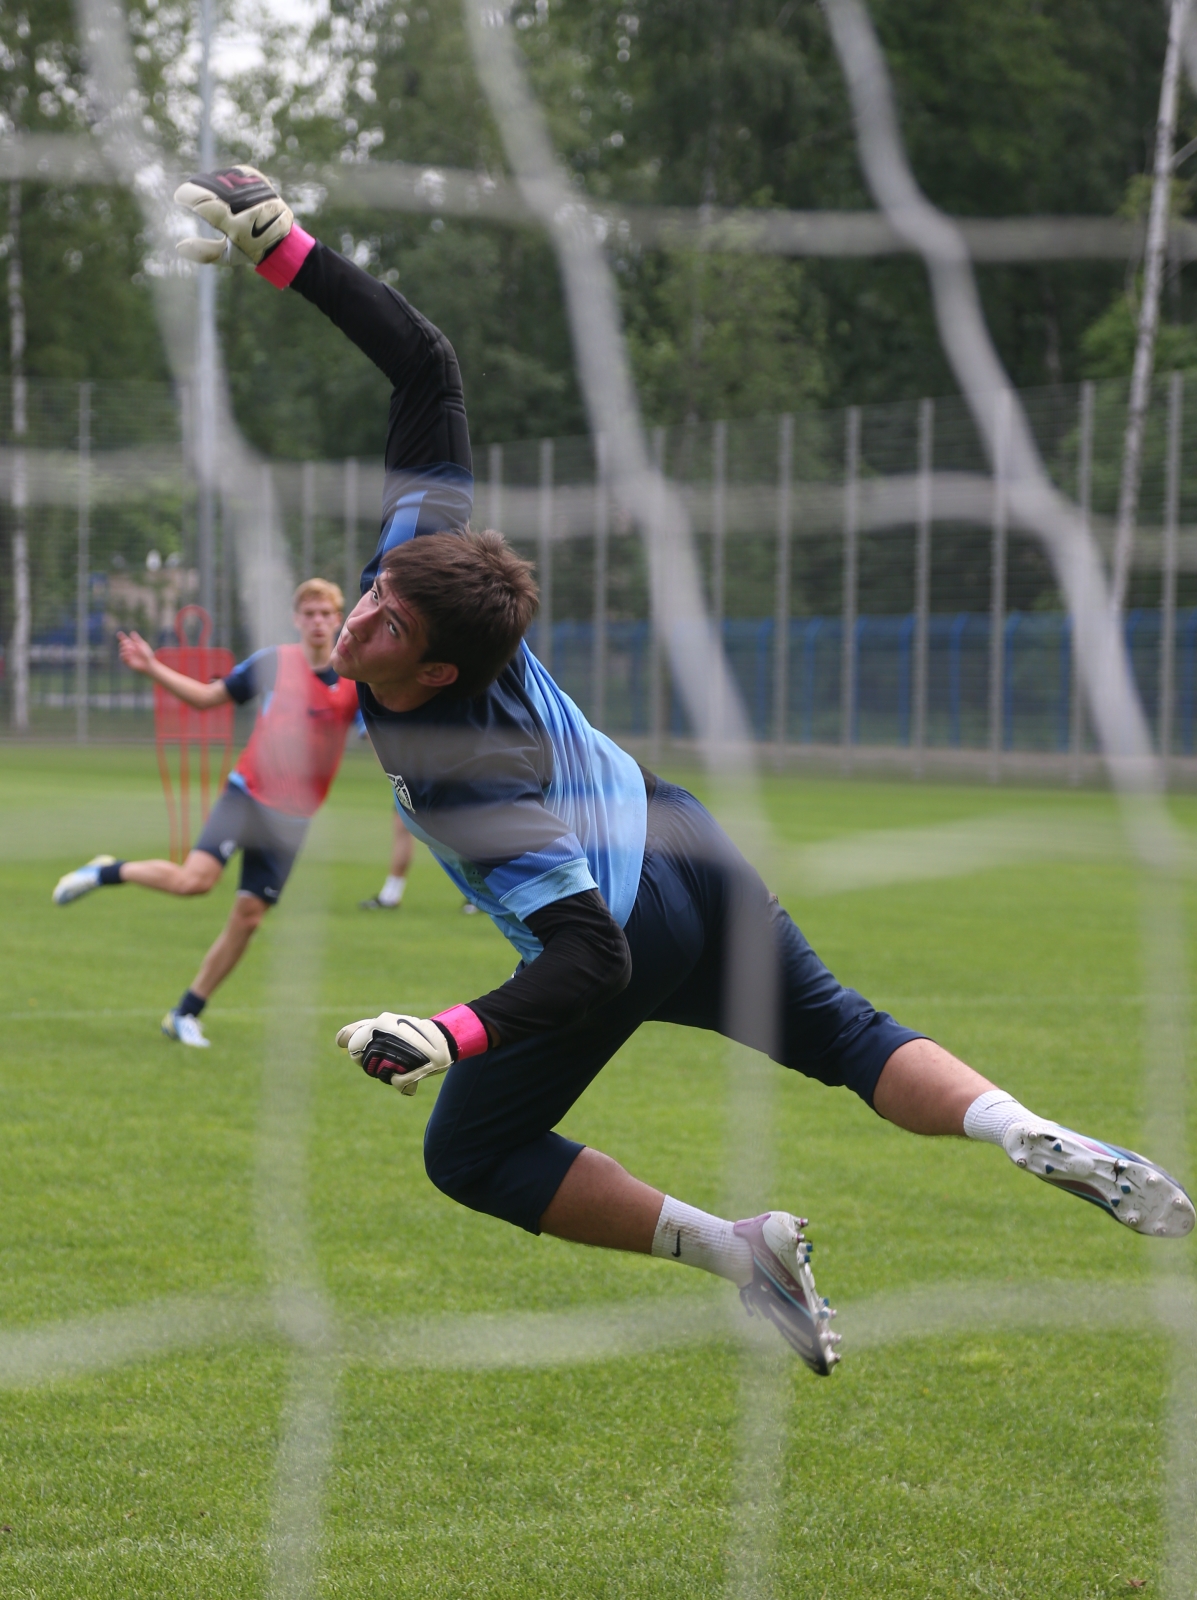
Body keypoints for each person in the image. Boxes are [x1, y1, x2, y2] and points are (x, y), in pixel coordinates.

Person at [171, 166, 1195, 1375]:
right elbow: (427, 366)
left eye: (385, 624)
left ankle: (736, 1249)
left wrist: (447, 1030)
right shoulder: (426, 556)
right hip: (689, 840)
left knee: (469, 1157)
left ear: (440, 675)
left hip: (626, 917)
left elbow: (590, 956)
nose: (359, 621)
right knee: (850, 1037)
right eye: (374, 596)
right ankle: (1018, 1129)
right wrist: (287, 250)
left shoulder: (464, 772)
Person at [52, 578, 360, 1048]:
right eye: (310, 613)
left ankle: (185, 1013)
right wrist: (151, 668)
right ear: (297, 619)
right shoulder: (274, 663)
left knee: (249, 917)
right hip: (249, 794)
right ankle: (106, 871)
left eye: (326, 614)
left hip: (293, 818)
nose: (318, 622)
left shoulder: (356, 680)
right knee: (194, 882)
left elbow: (380, 734)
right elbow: (205, 698)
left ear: (339, 619)